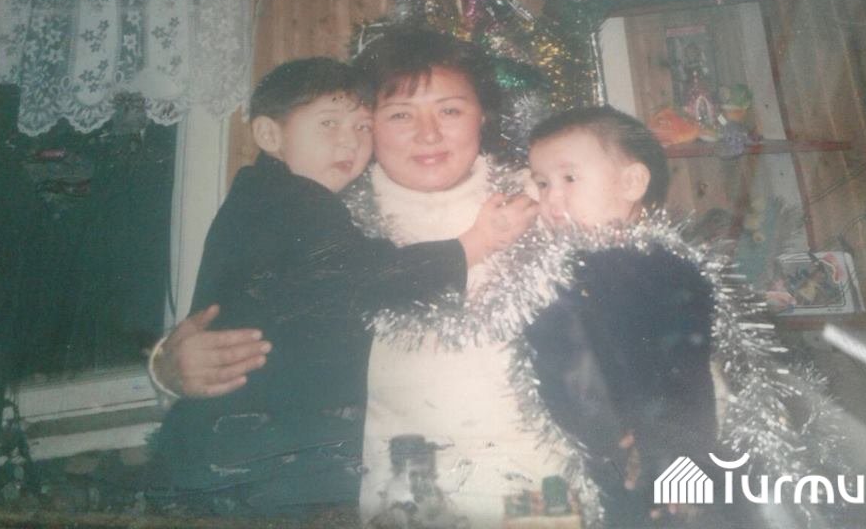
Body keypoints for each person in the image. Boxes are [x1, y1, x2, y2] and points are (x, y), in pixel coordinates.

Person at [150, 29, 568, 528]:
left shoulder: (548, 197)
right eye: (399, 115)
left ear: (483, 116)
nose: (428, 134)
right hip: (405, 499)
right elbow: (238, 316)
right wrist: (168, 368)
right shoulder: (334, 211)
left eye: (450, 110)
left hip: (541, 483)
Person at [523, 106, 722, 527]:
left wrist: (678, 470)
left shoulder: (658, 268)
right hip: (599, 455)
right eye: (542, 183)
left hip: (653, 469)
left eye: (569, 178)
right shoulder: (569, 266)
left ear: (632, 183)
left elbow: (685, 379)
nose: (551, 198)